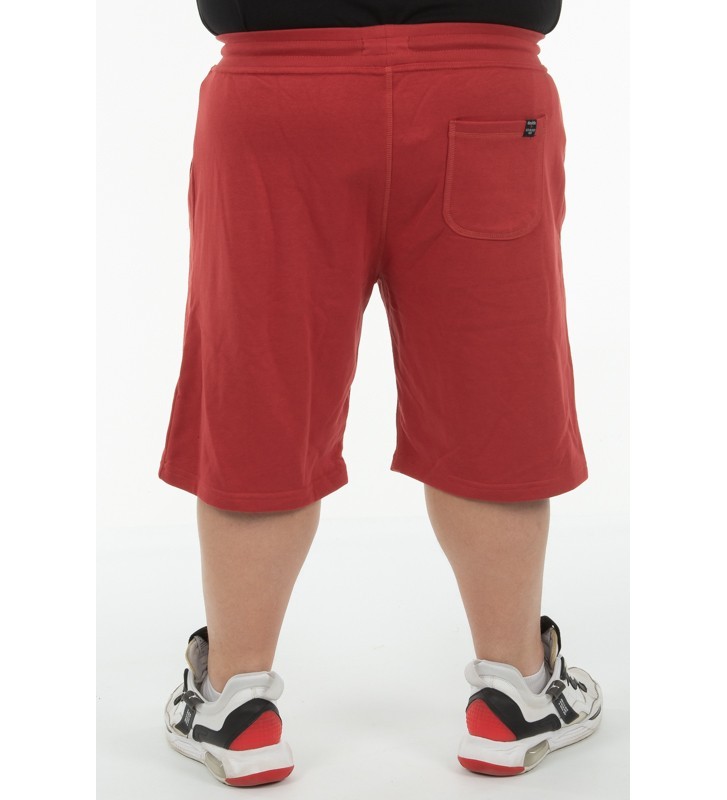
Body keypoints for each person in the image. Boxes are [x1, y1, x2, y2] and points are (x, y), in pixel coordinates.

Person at [159, 0, 602, 787]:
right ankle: (515, 695)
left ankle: (234, 705)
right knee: (492, 394)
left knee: (260, 396)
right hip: (481, 85)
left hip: (277, 96)